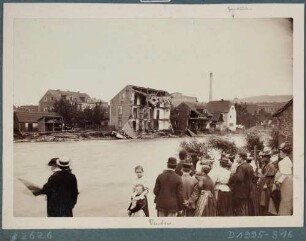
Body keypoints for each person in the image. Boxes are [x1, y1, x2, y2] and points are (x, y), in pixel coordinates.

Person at [270, 142, 293, 216]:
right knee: (287, 198)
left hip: (285, 182)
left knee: (284, 198)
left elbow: (284, 174)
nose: (279, 153)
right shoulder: (288, 160)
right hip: (288, 181)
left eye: (280, 152)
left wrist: (277, 182)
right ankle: (286, 213)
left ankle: (284, 214)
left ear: (285, 152)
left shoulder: (283, 162)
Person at [229, 151, 254, 216]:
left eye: (237, 157)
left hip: (240, 191)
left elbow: (239, 178)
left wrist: (233, 175)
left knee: (240, 209)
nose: (236, 159)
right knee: (245, 207)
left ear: (241, 158)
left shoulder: (241, 167)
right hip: (247, 190)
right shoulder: (250, 166)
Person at [257, 147, 277, 215]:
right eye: (263, 157)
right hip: (263, 184)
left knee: (266, 199)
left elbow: (269, 176)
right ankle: (264, 211)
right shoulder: (265, 164)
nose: (263, 158)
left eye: (265, 157)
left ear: (268, 157)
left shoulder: (271, 165)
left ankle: (267, 212)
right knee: (263, 199)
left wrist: (265, 184)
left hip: (268, 185)